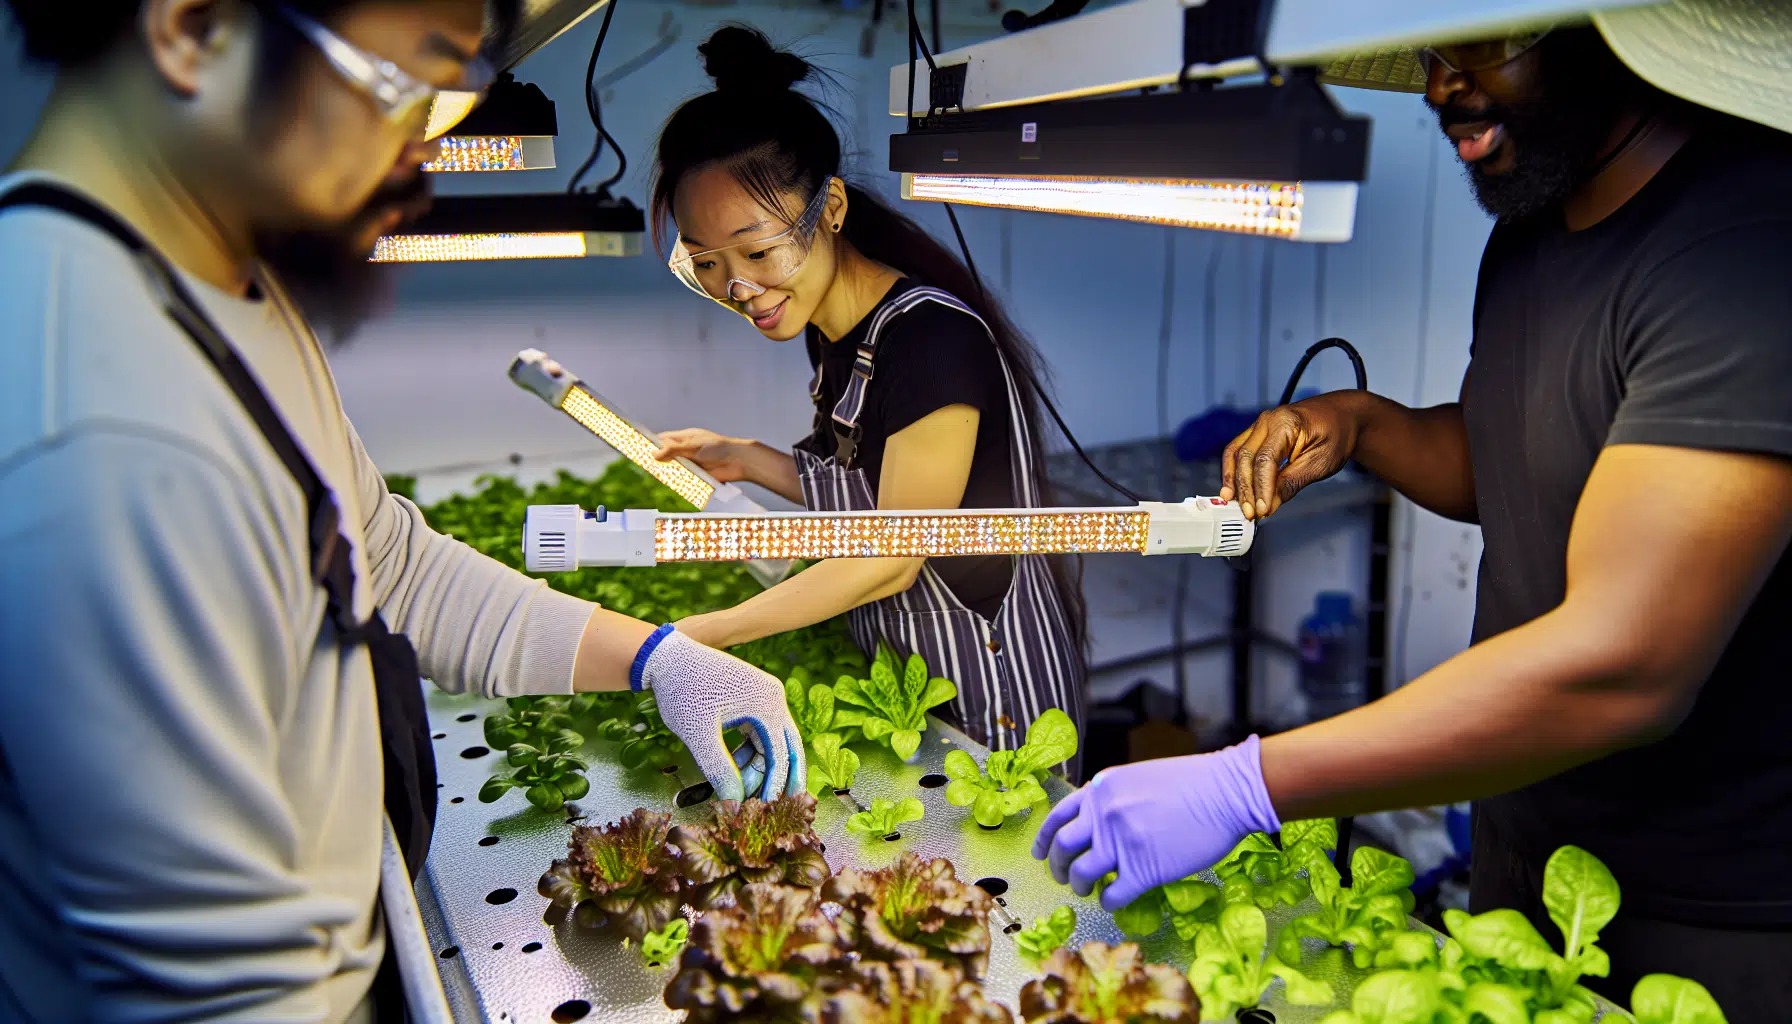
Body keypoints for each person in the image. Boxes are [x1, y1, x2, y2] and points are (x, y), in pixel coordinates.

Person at [0, 1, 803, 1018]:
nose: (416, 163)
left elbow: (394, 564)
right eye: (403, 91)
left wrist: (655, 657)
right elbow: (222, 997)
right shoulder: (102, 420)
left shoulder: (213, 291)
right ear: (195, 27)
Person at [1034, 23, 1792, 1018]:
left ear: (1613, 35)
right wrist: (1358, 423)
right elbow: (1515, 468)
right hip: (1527, 837)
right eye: (1430, 59)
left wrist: (1237, 784)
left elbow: (1627, 662)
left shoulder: (1747, 240)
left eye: (1480, 51)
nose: (1441, 90)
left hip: (1708, 908)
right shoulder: (1531, 227)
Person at [644, 26, 1089, 770]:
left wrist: (705, 633)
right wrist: (745, 459)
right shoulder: (834, 329)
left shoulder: (929, 343)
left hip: (994, 692)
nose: (740, 289)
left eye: (760, 252)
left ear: (833, 208)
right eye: (709, 263)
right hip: (905, 678)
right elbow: (876, 489)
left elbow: (892, 554)